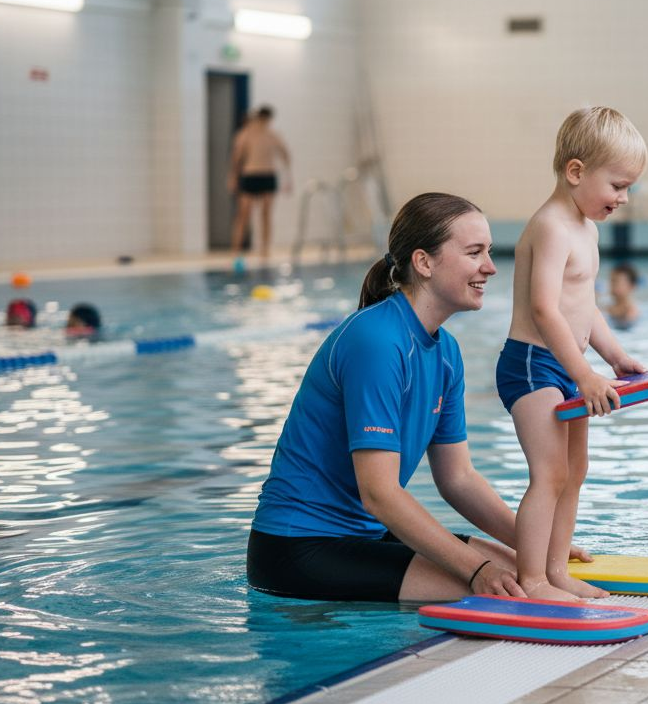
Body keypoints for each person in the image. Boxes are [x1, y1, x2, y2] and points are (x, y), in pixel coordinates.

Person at [247, 193, 587, 603]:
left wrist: (537, 545)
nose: (490, 267)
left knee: (522, 569)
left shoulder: (446, 352)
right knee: (508, 591)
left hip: (367, 535)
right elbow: (379, 493)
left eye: (489, 252)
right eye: (474, 252)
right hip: (299, 548)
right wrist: (476, 570)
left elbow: (458, 479)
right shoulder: (376, 341)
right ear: (424, 263)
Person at [497, 106, 648, 601]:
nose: (623, 198)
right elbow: (544, 310)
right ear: (576, 171)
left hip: (570, 366)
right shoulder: (552, 226)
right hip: (533, 364)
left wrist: (614, 357)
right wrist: (584, 373)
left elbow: (584, 310)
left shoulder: (587, 228)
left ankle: (557, 571)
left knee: (574, 472)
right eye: (617, 186)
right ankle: (533, 579)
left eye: (628, 188)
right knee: (550, 473)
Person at [227, 105, 292, 261]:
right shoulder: (246, 134)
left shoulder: (272, 135)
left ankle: (265, 248)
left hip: (268, 175)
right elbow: (236, 157)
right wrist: (233, 177)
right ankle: (236, 249)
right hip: (250, 175)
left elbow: (285, 154)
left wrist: (288, 178)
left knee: (266, 214)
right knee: (244, 214)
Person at [604, 262, 640, 330]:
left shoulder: (631, 312)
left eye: (616, 282)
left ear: (632, 286)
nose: (612, 286)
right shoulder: (609, 307)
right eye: (611, 281)